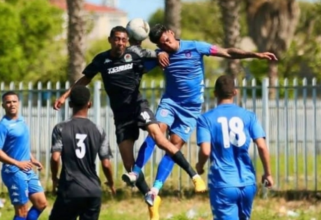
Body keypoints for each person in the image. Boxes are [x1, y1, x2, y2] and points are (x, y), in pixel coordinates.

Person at [122, 23, 277, 220]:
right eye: (163, 45)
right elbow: (136, 67)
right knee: (157, 132)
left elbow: (227, 52)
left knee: (174, 145)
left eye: (167, 41)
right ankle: (136, 171)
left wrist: (255, 55)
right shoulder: (161, 55)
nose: (167, 46)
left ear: (172, 32)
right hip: (170, 103)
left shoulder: (195, 47)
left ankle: (155, 189)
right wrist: (135, 52)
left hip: (190, 110)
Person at [52, 25, 206, 209]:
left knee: (158, 137)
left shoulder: (135, 54)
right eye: (117, 39)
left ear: (127, 41)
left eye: (124, 39)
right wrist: (65, 95)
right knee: (128, 165)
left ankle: (194, 176)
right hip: (121, 116)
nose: (120, 43)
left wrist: (159, 55)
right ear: (110, 40)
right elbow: (85, 79)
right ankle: (151, 197)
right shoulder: (102, 59)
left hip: (138, 106)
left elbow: (159, 54)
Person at [195, 74, 274, 220]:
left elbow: (205, 151)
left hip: (223, 183)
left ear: (215, 93)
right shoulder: (249, 116)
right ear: (235, 92)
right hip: (248, 183)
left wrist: (199, 166)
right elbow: (262, 147)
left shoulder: (205, 119)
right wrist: (268, 173)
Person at [49, 85, 115, 220]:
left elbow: (55, 158)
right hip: (93, 190)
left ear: (70, 103)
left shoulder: (61, 128)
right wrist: (111, 182)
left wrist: (55, 179)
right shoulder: (99, 130)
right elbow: (106, 164)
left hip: (70, 189)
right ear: (89, 104)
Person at [0, 91, 47, 220]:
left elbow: (21, 145)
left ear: (19, 103)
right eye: (8, 102)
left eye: (14, 101)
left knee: (41, 203)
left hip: (27, 169)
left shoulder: (21, 120)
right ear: (3, 105)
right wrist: (17, 163)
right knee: (22, 212)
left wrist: (32, 159)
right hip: (14, 172)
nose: (11, 104)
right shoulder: (2, 126)